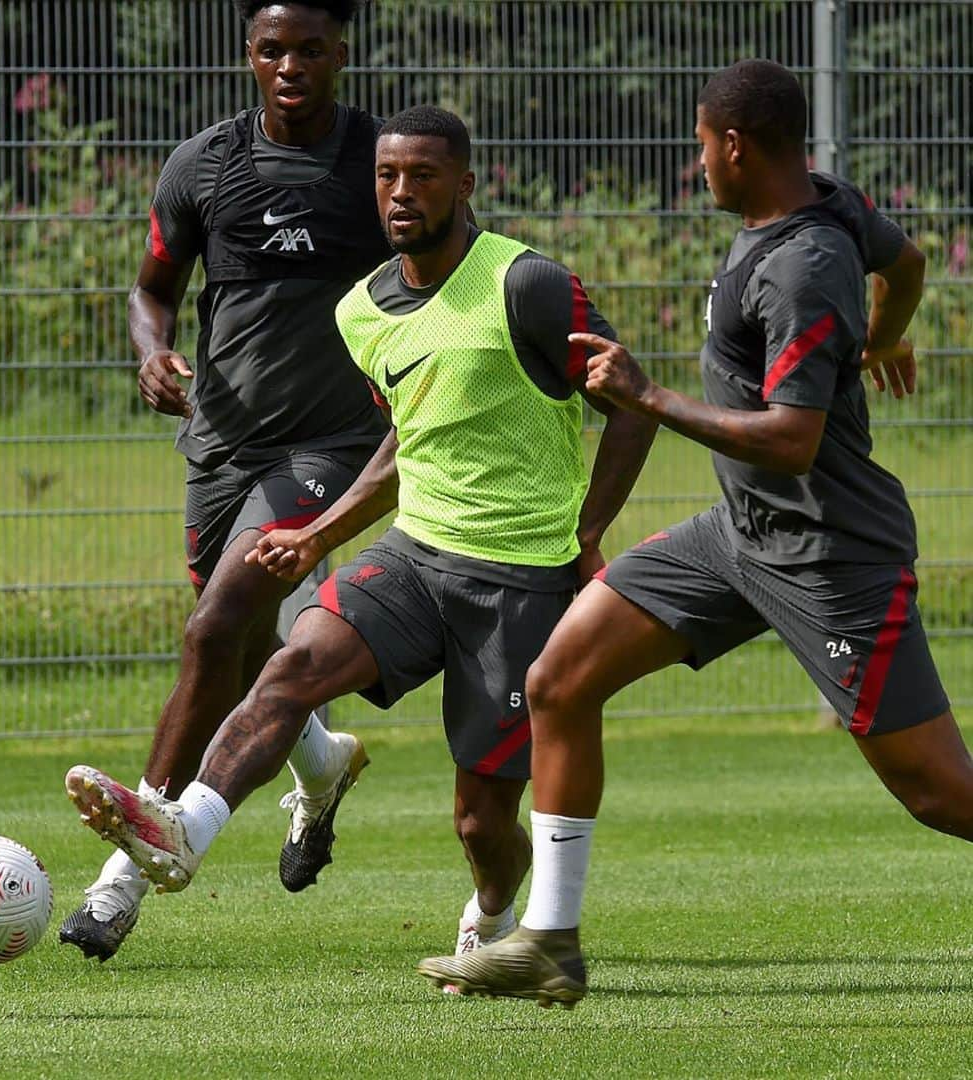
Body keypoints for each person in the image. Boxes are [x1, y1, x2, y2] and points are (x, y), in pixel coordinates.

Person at [415, 58, 965, 1008]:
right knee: (558, 678)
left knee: (937, 794)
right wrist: (882, 338)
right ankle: (549, 941)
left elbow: (795, 441)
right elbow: (907, 261)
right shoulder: (826, 202)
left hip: (830, 557)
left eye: (702, 144)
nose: (696, 161)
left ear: (738, 147)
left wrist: (647, 396)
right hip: (736, 538)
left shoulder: (800, 266)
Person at [63, 105, 657, 960]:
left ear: (465, 183)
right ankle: (183, 829)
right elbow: (403, 444)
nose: (402, 193)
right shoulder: (364, 311)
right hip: (414, 557)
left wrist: (587, 530)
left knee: (481, 822)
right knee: (291, 666)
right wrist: (320, 536)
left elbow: (634, 406)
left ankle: (494, 912)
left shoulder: (526, 283)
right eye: (387, 177)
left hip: (521, 578)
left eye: (423, 176)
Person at [59, 0, 393, 961]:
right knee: (239, 651)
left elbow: (443, 279)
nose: (291, 65)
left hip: (331, 447)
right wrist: (151, 352)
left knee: (213, 627)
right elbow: (152, 289)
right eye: (272, 49)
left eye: (310, 49)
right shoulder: (202, 164)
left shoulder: (382, 164)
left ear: (341, 54)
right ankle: (322, 765)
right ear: (248, 56)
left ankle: (124, 878)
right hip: (221, 448)